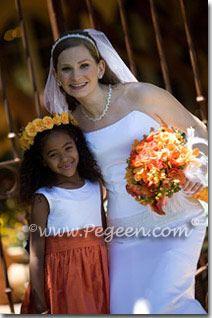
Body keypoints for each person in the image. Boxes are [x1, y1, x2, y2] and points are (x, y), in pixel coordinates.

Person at [43, 29, 208, 314]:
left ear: (100, 67)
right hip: (124, 231)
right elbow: (86, 185)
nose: (76, 76)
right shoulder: (71, 126)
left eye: (84, 65)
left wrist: (197, 169)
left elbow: (198, 130)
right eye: (66, 69)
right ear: (57, 77)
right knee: (126, 309)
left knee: (162, 304)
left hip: (178, 217)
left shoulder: (142, 95)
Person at [18, 112, 109, 314]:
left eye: (68, 148)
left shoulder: (95, 186)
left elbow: (104, 233)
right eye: (53, 154)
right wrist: (39, 300)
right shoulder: (44, 198)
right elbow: (36, 252)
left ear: (78, 147)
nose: (64, 158)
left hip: (99, 272)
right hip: (66, 277)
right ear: (42, 161)